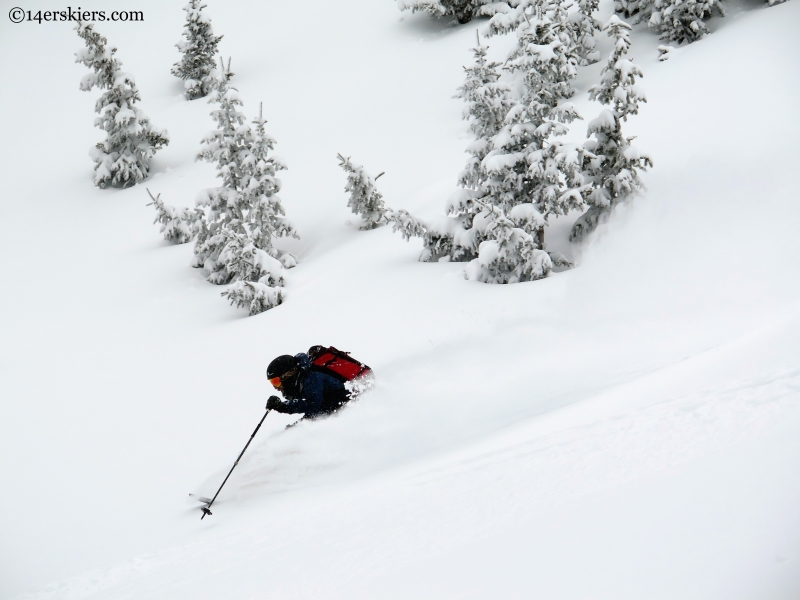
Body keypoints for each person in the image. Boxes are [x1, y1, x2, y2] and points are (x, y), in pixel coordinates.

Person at [266, 352, 351, 419]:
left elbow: (312, 404)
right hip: (328, 407)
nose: (275, 387)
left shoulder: (312, 378)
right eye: (272, 382)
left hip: (343, 403)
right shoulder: (300, 381)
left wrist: (283, 406)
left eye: (276, 381)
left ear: (288, 374)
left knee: (303, 425)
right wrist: (280, 405)